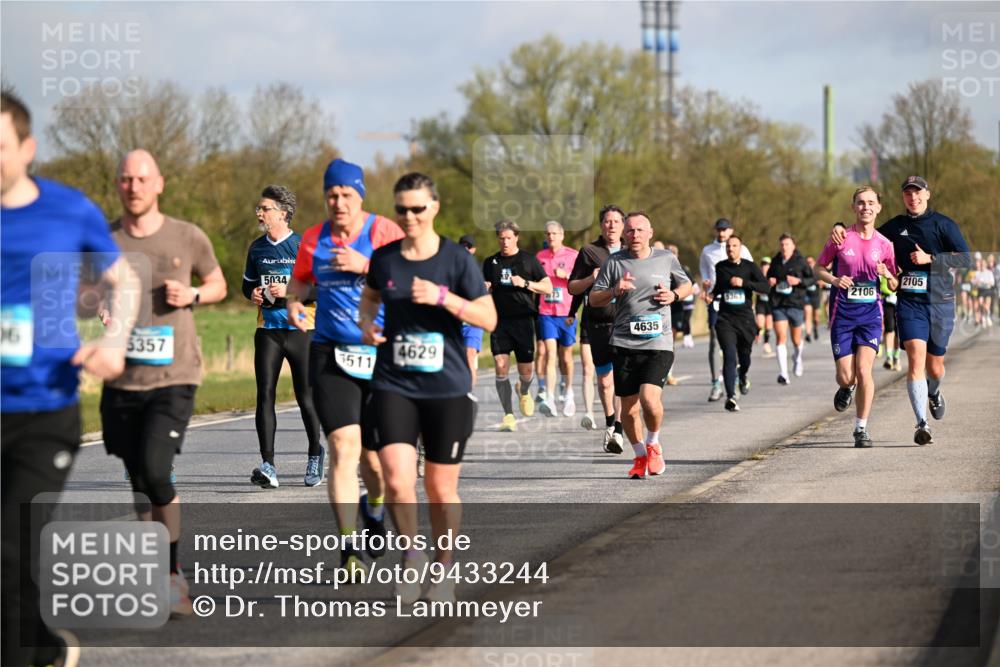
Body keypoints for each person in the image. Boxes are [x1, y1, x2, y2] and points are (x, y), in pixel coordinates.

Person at [2, 90, 140, 667]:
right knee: (11, 557)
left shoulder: (68, 209)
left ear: (26, 148)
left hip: (43, 411)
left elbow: (124, 280)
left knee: (7, 550)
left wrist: (112, 342)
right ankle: (43, 649)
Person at [101, 149, 227, 618]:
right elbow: (81, 294)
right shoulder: (103, 239)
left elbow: (217, 284)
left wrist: (193, 293)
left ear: (160, 183)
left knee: (156, 470)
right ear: (118, 185)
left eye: (142, 178)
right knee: (138, 477)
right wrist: (98, 307)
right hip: (122, 378)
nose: (133, 186)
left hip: (176, 375)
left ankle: (172, 576)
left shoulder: (187, 236)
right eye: (125, 179)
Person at [359, 172, 496, 604]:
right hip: (394, 382)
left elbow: (488, 319)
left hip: (447, 387)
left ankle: (443, 567)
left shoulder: (457, 261)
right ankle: (411, 558)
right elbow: (369, 297)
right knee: (398, 480)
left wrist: (444, 299)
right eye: (402, 209)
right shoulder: (384, 260)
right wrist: (366, 324)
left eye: (418, 208)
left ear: (434, 207)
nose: (410, 216)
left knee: (439, 488)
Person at [287, 158, 401, 576]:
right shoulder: (314, 237)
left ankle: (375, 509)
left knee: (375, 461)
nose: (339, 202)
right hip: (330, 352)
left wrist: (365, 266)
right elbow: (300, 279)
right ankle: (348, 550)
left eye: (347, 195)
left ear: (360, 197)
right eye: (332, 195)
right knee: (342, 448)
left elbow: (409, 277)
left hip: (381, 354)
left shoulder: (384, 232)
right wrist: (295, 302)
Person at [831, 176, 970, 445]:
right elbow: (865, 234)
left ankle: (934, 391)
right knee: (916, 360)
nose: (913, 198)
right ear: (903, 197)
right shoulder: (896, 226)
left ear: (927, 195)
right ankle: (922, 423)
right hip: (910, 303)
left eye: (918, 193)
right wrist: (839, 227)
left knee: (935, 367)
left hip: (941, 302)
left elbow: (965, 257)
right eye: (908, 194)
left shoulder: (944, 224)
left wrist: (932, 258)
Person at [589, 212, 692, 479]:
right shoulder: (614, 262)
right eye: (630, 231)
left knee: (649, 398)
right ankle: (639, 455)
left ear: (650, 233)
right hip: (623, 342)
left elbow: (687, 285)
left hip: (658, 342)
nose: (635, 235)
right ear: (624, 234)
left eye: (640, 230)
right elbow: (593, 299)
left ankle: (653, 442)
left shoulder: (666, 258)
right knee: (630, 410)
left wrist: (674, 294)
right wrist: (615, 291)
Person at [242, 185, 325, 487]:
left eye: (264, 208)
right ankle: (268, 465)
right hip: (268, 330)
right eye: (259, 208)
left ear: (283, 213)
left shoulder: (305, 246)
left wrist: (290, 290)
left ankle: (315, 454)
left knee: (306, 396)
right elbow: (245, 286)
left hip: (303, 330)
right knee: (265, 394)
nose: (259, 213)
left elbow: (321, 289)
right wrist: (252, 294)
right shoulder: (257, 248)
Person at [816, 186, 898, 447]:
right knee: (846, 376)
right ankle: (846, 387)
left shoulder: (885, 245)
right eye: (861, 203)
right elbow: (818, 268)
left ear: (879, 207)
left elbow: (896, 283)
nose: (866, 207)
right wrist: (835, 279)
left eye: (871, 203)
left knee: (865, 371)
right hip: (842, 315)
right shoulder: (841, 238)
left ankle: (860, 429)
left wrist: (887, 276)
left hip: (871, 316)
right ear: (854, 207)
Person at [482, 220, 552, 431]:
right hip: (499, 322)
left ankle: (523, 391)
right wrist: (484, 288)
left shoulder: (528, 260)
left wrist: (526, 283)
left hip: (523, 321)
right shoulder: (490, 262)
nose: (505, 242)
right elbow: (484, 289)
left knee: (526, 372)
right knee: (501, 367)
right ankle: (508, 415)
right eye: (501, 238)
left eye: (509, 238)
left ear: (516, 237)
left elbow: (547, 287)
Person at [568, 205, 626, 451]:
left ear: (623, 225)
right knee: (604, 382)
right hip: (598, 323)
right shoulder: (589, 251)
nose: (611, 225)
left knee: (622, 379)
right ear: (601, 225)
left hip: (625, 323)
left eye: (616, 221)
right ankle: (610, 423)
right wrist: (592, 279)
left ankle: (620, 429)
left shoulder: (630, 252)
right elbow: (572, 288)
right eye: (607, 221)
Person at [708, 236, 769, 412]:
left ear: (740, 248)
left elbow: (765, 288)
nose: (731, 249)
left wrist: (745, 283)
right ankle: (731, 396)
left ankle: (742, 376)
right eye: (728, 246)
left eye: (734, 246)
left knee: (745, 357)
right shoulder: (721, 267)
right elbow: (718, 289)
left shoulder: (749, 267)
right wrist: (710, 295)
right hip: (725, 319)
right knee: (728, 354)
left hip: (746, 320)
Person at [699, 218, 753, 402]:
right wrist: (705, 284)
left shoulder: (742, 249)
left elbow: (751, 272)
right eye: (719, 230)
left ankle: (736, 378)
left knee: (736, 344)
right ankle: (716, 383)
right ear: (715, 231)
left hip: (738, 302)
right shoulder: (707, 251)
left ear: (731, 231)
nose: (722, 233)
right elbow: (705, 272)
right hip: (717, 300)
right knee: (715, 341)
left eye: (725, 230)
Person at [535, 221, 579, 417]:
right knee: (550, 354)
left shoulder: (572, 255)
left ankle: (569, 393)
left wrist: (566, 275)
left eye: (554, 233)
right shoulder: (540, 257)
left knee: (566, 357)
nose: (551, 237)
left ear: (562, 235)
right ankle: (550, 398)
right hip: (546, 312)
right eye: (548, 234)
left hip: (567, 312)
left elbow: (580, 282)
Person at [768, 234, 814, 384]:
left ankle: (797, 357)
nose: (784, 247)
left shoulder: (801, 262)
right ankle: (783, 373)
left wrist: (799, 280)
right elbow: (768, 278)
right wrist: (771, 280)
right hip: (778, 303)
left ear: (793, 246)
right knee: (781, 337)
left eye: (787, 244)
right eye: (782, 244)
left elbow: (812, 279)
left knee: (795, 339)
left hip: (795, 303)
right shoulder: (775, 262)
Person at [457, 234, 484, 387]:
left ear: (473, 250)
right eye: (462, 246)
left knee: (469, 355)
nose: (465, 249)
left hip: (474, 322)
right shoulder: (450, 267)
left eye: (468, 247)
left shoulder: (479, 268)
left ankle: (468, 395)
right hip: (456, 322)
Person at [667, 243, 697, 350]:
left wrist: (683, 293)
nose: (671, 255)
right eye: (669, 253)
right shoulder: (660, 268)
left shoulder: (683, 269)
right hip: (664, 306)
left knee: (673, 335)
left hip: (679, 304)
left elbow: (694, 287)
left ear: (677, 255)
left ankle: (686, 338)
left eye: (673, 253)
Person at [879, 273, 901, 371]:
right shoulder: (886, 260)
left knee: (899, 332)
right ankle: (889, 357)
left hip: (901, 299)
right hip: (887, 299)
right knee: (889, 329)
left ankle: (896, 357)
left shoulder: (902, 259)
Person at [755, 257, 775, 358]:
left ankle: (766, 343)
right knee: (759, 323)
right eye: (763, 264)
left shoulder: (773, 276)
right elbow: (754, 289)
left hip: (770, 304)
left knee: (768, 326)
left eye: (766, 264)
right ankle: (757, 332)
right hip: (760, 303)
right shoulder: (758, 276)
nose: (764, 266)